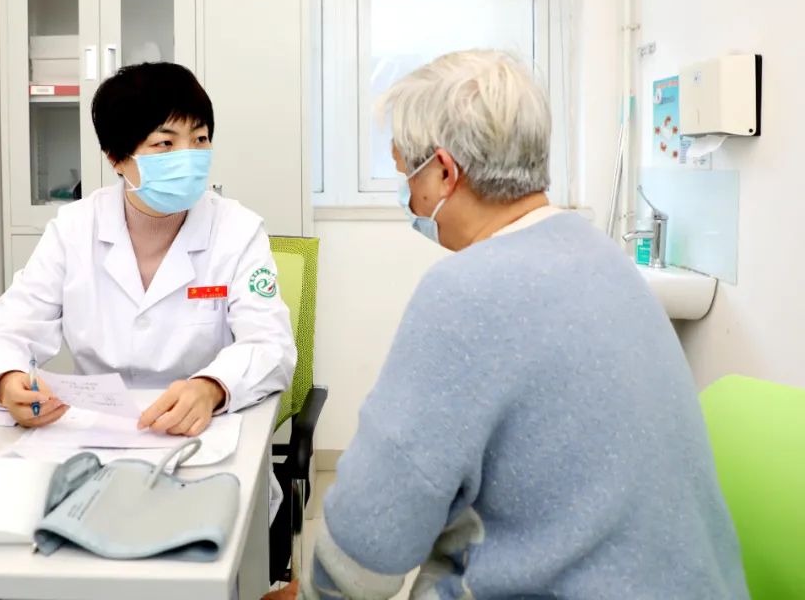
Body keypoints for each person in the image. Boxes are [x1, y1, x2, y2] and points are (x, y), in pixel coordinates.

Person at [296, 51, 747, 600]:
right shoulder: (605, 259)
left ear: (444, 172)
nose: (407, 197)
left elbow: (366, 549)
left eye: (405, 174)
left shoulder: (464, 292)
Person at [0, 62, 295, 440]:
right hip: (97, 431)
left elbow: (270, 345)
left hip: (204, 432)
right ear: (115, 157)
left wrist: (212, 387)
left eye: (200, 139)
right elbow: (4, 333)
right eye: (165, 143)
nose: (188, 156)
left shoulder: (238, 230)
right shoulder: (74, 228)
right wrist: (8, 380)